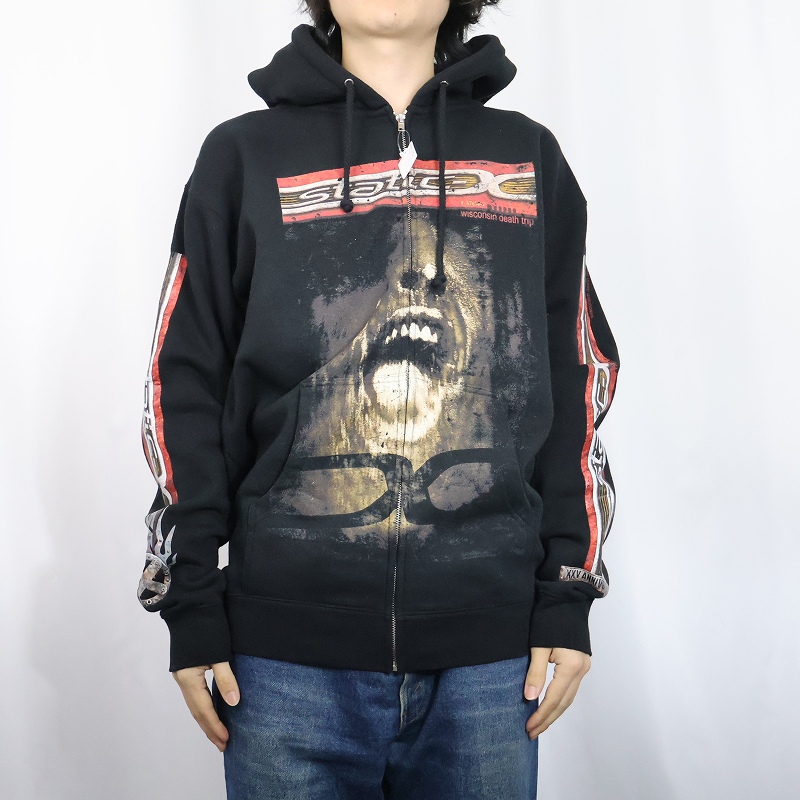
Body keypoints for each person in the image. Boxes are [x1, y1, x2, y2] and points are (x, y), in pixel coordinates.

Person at [136, 0, 620, 796]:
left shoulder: (527, 156)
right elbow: (184, 380)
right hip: (284, 659)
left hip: (490, 659)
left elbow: (577, 376)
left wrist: (568, 586)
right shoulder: (243, 155)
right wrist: (188, 592)